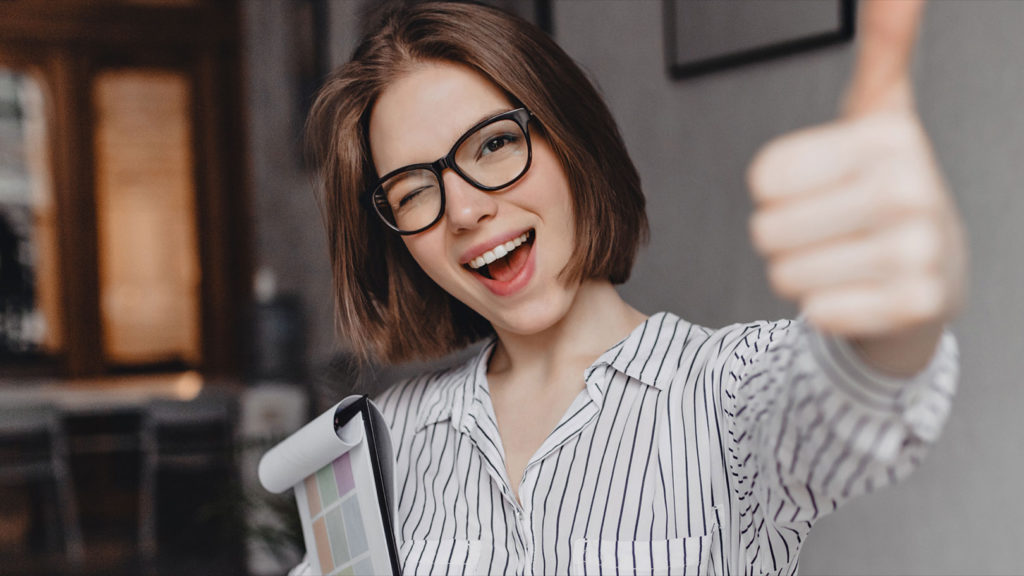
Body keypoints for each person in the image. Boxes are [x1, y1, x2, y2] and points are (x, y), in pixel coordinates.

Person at [299, 1, 966, 573]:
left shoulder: (727, 393)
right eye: (415, 190)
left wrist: (902, 305)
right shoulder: (385, 440)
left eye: (495, 145)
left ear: (571, 140)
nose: (466, 210)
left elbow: (855, 398)